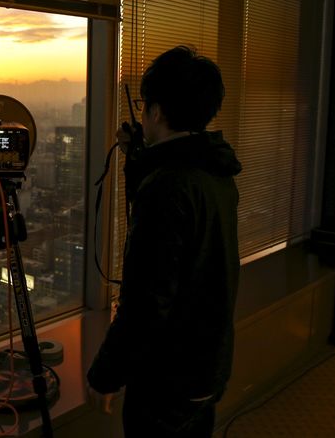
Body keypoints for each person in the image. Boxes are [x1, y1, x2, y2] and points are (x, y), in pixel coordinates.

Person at [86, 45, 242, 437]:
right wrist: (137, 156)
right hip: (207, 363)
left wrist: (105, 375)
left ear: (155, 111)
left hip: (167, 377)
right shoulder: (215, 172)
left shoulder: (167, 189)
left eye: (144, 106)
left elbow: (145, 303)